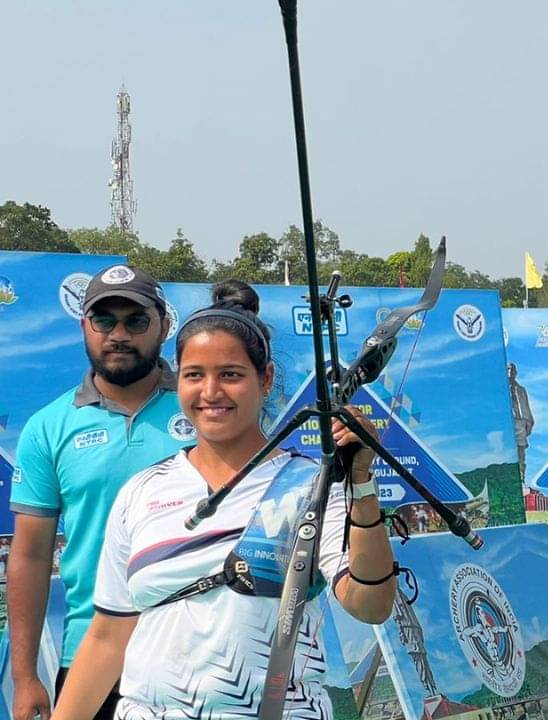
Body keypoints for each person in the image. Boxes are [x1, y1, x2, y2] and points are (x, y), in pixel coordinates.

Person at [51, 281, 397, 719]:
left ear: (265, 379)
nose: (210, 391)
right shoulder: (141, 491)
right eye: (194, 374)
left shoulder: (311, 485)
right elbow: (107, 636)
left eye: (231, 374)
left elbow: (370, 604)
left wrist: (360, 485)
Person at [9, 264, 191, 720]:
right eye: (104, 320)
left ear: (164, 326)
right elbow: (30, 555)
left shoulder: (207, 411)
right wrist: (26, 676)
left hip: (198, 650)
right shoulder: (49, 427)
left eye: (136, 320)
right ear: (85, 325)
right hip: (92, 655)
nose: (119, 334)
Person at [508, 363, 535, 481]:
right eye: (506, 369)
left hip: (519, 425)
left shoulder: (520, 390)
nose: (509, 371)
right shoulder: (497, 388)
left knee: (520, 454)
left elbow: (526, 408)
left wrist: (527, 424)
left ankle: (521, 479)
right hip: (505, 424)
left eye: (510, 369)